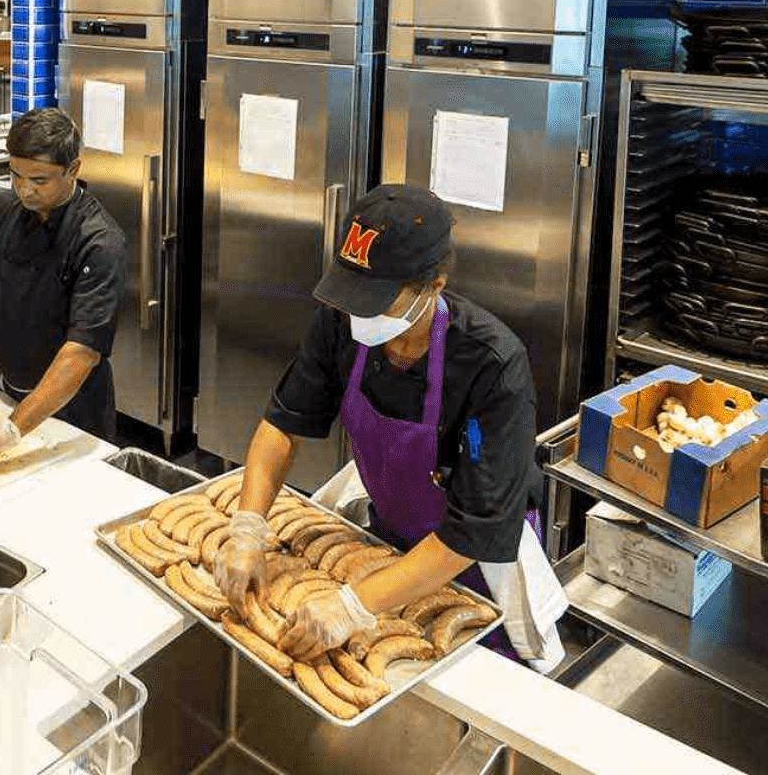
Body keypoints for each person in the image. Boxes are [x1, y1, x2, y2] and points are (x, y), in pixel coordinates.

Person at [211, 184, 560, 669]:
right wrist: (248, 527)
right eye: (350, 294)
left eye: (376, 299)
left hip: (478, 567)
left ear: (433, 287)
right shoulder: (341, 324)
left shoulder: (493, 365)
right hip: (387, 539)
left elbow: (477, 529)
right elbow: (282, 426)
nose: (357, 312)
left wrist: (353, 605)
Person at [0, 108, 127, 458]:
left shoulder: (100, 242)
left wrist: (12, 428)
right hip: (7, 392)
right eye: (16, 175)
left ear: (74, 170)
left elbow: (81, 354)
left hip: (73, 411)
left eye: (39, 180)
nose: (25, 190)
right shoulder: (3, 211)